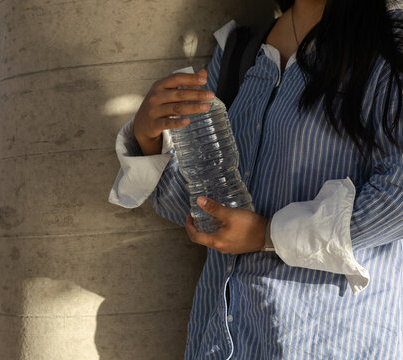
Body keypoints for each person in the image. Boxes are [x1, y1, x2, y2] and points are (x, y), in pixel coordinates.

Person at [109, 0, 403, 358]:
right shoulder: (239, 52)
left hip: (329, 340)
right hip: (218, 341)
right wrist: (148, 137)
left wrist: (270, 234)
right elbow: (200, 209)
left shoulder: (391, 43)